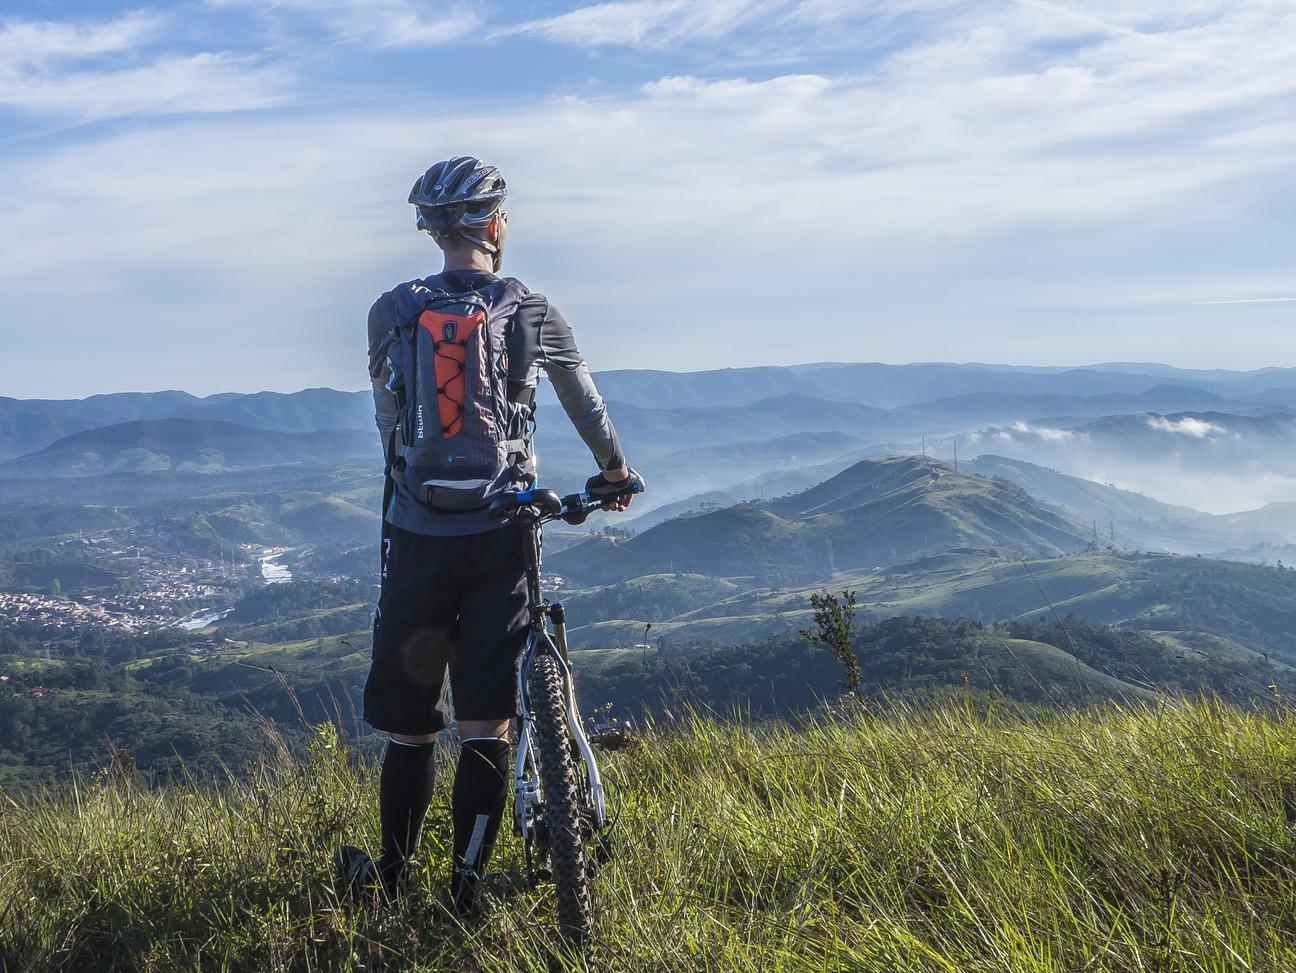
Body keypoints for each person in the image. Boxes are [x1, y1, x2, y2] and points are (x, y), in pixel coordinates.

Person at [335, 156, 639, 915]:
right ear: (497, 225)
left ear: (432, 230)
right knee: (486, 724)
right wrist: (613, 472)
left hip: (416, 535)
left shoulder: (390, 311)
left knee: (410, 731)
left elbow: (388, 425)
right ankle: (465, 889)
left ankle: (392, 882)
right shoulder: (532, 309)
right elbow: (586, 404)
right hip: (503, 533)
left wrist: (414, 496)